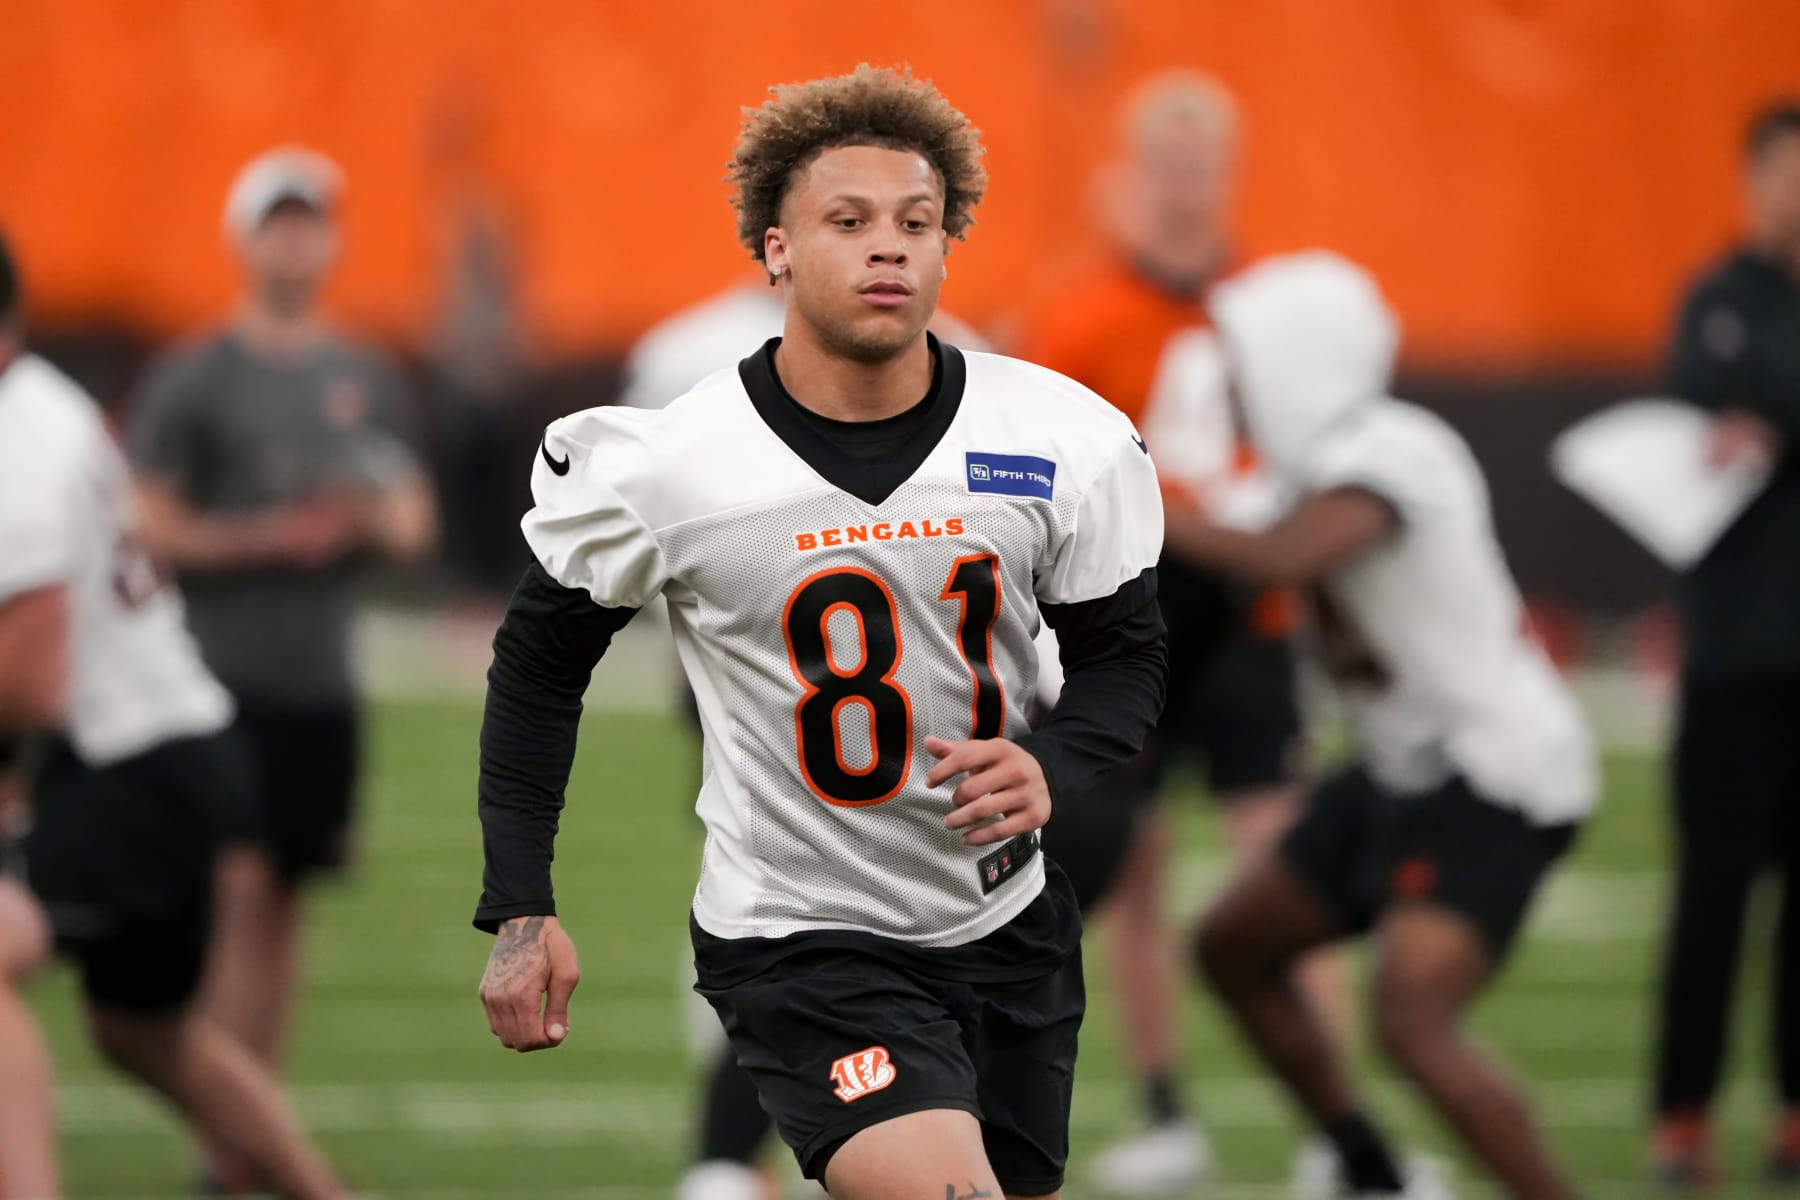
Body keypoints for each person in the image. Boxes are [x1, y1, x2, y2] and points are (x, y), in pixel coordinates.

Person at [473, 65, 1167, 1200]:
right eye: (848, 221)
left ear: (947, 246)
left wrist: (1055, 760)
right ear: (777, 250)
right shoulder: (679, 463)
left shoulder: (1054, 437)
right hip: (803, 941)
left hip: (1006, 919)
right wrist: (519, 904)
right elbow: (539, 668)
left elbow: (1123, 657)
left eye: (916, 222)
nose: (887, 247)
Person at [1174, 252, 1594, 1200]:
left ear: (1293, 358)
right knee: (1234, 948)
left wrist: (1144, 502)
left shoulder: (1396, 448)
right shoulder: (1290, 480)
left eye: (1244, 358)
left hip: (1493, 773)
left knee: (1410, 1021)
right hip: (1399, 766)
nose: (1230, 383)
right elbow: (1211, 566)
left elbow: (1279, 557)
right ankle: (1371, 1172)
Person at [1014, 70, 1332, 1194]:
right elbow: (1043, 473)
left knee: (1289, 863)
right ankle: (1162, 1106)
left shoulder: (1276, 305)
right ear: (1134, 176)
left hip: (1249, 618)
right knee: (1132, 865)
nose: (1187, 187)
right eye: (1169, 165)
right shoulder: (1080, 309)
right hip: (1127, 624)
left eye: (1204, 165)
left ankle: (1332, 1124)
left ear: (1229, 174)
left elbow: (1321, 450)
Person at [623, 278, 993, 1200]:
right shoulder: (688, 346)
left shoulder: (952, 345)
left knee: (790, 895)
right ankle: (757, 1143)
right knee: (798, 897)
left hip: (899, 679)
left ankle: (750, 1150)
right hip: (775, 668)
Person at [0, 231, 351, 1200]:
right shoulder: (44, 405)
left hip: (127, 761)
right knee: (142, 1032)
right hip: (162, 748)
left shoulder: (20, 439)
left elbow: (32, 681)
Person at [126, 147, 436, 1192]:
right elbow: (149, 522)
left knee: (283, 905)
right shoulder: (197, 375)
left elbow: (412, 522)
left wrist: (358, 522)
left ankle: (242, 1130)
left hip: (319, 684)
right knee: (237, 890)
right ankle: (229, 1136)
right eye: (279, 223)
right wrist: (268, 538)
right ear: (245, 239)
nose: (297, 242)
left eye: (311, 223)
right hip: (215, 681)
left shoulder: (366, 376)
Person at [1651, 98, 1800, 1190]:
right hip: (1731, 654)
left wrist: (1772, 424)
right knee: (1711, 894)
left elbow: (1761, 412)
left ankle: (1793, 1108)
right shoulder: (1716, 300)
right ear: (1752, 183)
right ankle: (1682, 1113)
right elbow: (1693, 412)